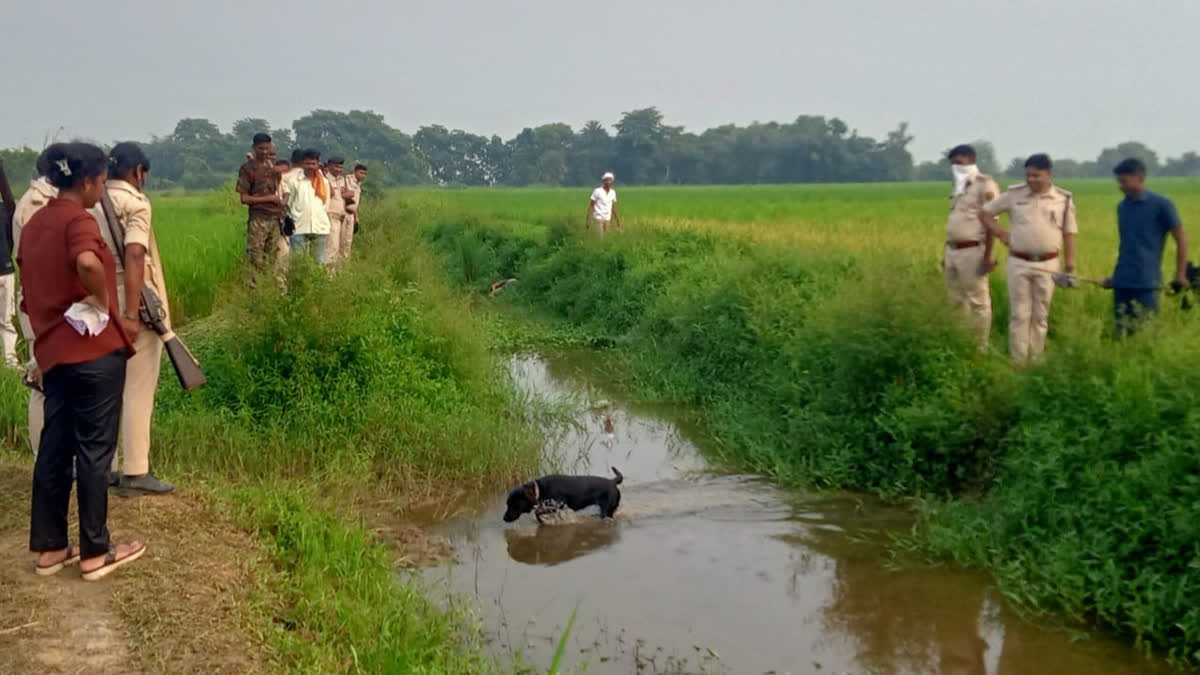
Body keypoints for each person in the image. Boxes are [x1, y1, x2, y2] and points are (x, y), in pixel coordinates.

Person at [19, 142, 144, 580]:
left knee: (55, 447)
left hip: (54, 353)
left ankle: (50, 547)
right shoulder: (79, 220)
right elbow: (88, 261)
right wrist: (104, 299)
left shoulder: (34, 223)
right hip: (93, 352)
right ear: (89, 181)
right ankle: (96, 550)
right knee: (94, 450)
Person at [93, 142, 174, 496]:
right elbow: (135, 253)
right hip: (131, 302)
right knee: (138, 389)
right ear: (138, 172)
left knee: (104, 389)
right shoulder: (136, 203)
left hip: (95, 301)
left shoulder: (88, 200)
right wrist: (132, 313)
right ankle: (136, 470)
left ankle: (105, 467)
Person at [982, 154, 1078, 365]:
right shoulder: (1014, 195)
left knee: (1040, 315)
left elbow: (1070, 233)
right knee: (1019, 314)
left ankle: (1036, 360)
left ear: (1049, 175)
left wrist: (1070, 266)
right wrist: (1001, 233)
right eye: (1028, 175)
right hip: (1019, 262)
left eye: (1037, 175)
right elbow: (986, 213)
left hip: (1048, 263)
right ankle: (1018, 361)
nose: (1032, 180)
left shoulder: (1063, 199)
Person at [1099, 158, 1189, 336]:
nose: (1120, 186)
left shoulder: (1162, 204)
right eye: (1119, 181)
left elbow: (1181, 239)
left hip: (1147, 283)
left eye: (1124, 181)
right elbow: (1128, 245)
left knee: (1147, 332)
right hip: (1122, 282)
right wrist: (1115, 277)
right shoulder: (1122, 206)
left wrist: (1180, 274)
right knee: (1122, 333)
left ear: (1139, 178)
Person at [12, 149, 58, 455]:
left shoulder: (32, 200)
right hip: (43, 305)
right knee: (43, 384)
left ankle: (50, 458)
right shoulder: (37, 204)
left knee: (46, 382)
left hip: (40, 303)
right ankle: (47, 457)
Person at [941, 144, 1000, 348]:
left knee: (978, 302)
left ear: (970, 159)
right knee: (955, 300)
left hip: (973, 250)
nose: (956, 167)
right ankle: (960, 341)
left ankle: (979, 346)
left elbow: (992, 223)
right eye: (953, 164)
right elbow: (954, 220)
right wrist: (946, 253)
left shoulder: (985, 185)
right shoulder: (958, 185)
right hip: (953, 250)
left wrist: (988, 256)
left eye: (959, 162)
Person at [235, 133, 283, 272]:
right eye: (261, 149)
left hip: (274, 219)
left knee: (272, 260)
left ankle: (267, 289)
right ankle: (253, 290)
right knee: (255, 260)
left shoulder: (272, 167)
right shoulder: (247, 169)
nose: (264, 152)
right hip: (258, 219)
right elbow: (244, 198)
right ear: (254, 148)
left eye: (267, 149)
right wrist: (269, 199)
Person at [283, 149, 331, 263]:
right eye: (307, 163)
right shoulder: (294, 181)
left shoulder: (324, 182)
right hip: (299, 226)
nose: (310, 166)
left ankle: (317, 281)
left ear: (318, 164)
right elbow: (289, 204)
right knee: (298, 262)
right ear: (302, 163)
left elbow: (326, 205)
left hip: (320, 226)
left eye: (313, 164)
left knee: (319, 262)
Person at [322, 157, 352, 263]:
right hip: (330, 216)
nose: (339, 169)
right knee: (332, 247)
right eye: (336, 166)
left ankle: (337, 275)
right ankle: (328, 276)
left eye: (341, 167)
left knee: (342, 246)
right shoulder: (324, 179)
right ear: (329, 166)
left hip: (341, 217)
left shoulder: (341, 179)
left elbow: (345, 194)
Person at [343, 163, 367, 257]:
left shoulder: (358, 184)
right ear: (355, 171)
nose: (363, 176)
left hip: (351, 214)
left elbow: (355, 203)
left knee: (348, 241)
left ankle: (344, 267)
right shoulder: (347, 180)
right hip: (343, 213)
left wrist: (356, 217)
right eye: (361, 173)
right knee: (340, 241)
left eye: (364, 174)